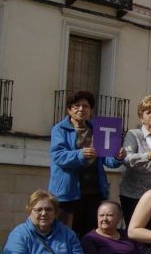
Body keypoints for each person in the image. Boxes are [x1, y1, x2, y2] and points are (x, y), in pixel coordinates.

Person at [50, 90, 125, 237]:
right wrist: (80, 154)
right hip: (68, 194)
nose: (81, 109)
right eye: (77, 105)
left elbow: (107, 160)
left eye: (85, 106)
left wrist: (117, 157)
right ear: (69, 109)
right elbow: (58, 156)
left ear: (90, 110)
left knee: (91, 235)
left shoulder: (98, 130)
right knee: (65, 235)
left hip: (94, 193)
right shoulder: (59, 129)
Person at [120, 95, 151, 224]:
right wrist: (148, 156)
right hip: (134, 195)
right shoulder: (134, 134)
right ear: (141, 117)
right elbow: (127, 159)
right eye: (148, 112)